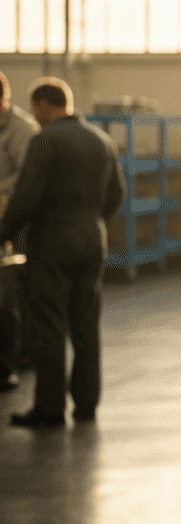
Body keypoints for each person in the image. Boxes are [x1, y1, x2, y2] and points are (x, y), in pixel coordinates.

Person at [0, 77, 124, 427]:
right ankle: (86, 405)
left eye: (35, 110)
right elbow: (117, 193)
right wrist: (94, 224)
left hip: (52, 243)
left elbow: (25, 197)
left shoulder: (45, 140)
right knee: (85, 324)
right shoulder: (101, 140)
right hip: (91, 241)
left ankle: (50, 408)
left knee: (49, 325)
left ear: (42, 106)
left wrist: (5, 234)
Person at [0, 71, 40, 392]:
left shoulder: (23, 130)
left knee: (15, 290)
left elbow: (29, 176)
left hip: (18, 219)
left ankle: (22, 354)